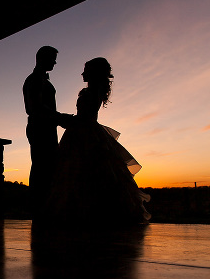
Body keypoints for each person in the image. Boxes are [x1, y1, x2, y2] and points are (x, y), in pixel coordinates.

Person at [44, 57, 150, 225]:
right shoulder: (93, 91)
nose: (82, 73)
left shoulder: (91, 92)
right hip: (86, 131)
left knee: (85, 174)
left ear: (93, 72)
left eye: (86, 70)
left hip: (84, 134)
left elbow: (84, 119)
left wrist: (58, 117)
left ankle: (88, 217)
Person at [23, 46, 67, 213]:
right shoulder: (34, 80)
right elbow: (35, 107)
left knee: (46, 167)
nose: (55, 63)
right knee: (42, 167)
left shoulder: (41, 80)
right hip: (40, 128)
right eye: (53, 59)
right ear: (42, 58)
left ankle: (43, 207)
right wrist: (60, 117)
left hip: (46, 128)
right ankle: (39, 208)